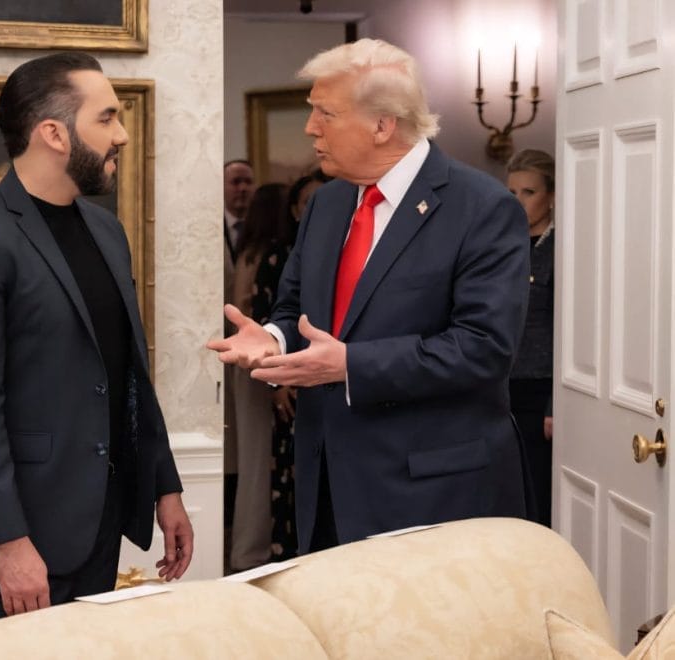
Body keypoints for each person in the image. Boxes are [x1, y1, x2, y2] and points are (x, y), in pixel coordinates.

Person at [208, 38, 531, 554]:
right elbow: (297, 309)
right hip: (327, 486)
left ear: (383, 126)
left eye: (325, 113)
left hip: (432, 494)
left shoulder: (482, 208)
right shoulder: (327, 204)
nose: (310, 128)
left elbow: (484, 348)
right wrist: (273, 338)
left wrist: (350, 365)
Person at [0, 52, 193, 623]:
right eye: (106, 118)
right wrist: (9, 541)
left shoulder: (106, 230)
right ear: (54, 134)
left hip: (101, 521)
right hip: (22, 536)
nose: (121, 135)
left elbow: (128, 374)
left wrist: (165, 488)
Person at [250, 173, 328, 560]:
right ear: (296, 211)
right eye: (309, 202)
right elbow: (272, 317)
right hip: (291, 383)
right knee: (291, 468)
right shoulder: (278, 256)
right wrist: (277, 382)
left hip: (334, 383)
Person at [228, 182, 289, 570]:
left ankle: (246, 548)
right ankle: (253, 549)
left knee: (252, 456)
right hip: (263, 362)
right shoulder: (271, 256)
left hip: (245, 362)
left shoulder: (247, 252)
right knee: (261, 456)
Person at [506, 148, 555, 527]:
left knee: (538, 491)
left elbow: (567, 330)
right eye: (511, 193)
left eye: (529, 192)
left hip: (540, 388)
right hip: (500, 385)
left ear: (550, 196)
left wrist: (557, 404)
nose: (518, 202)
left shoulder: (560, 249)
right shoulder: (502, 245)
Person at [221, 159, 255, 567]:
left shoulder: (260, 233)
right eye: (235, 182)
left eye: (248, 182)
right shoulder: (211, 231)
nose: (242, 189)